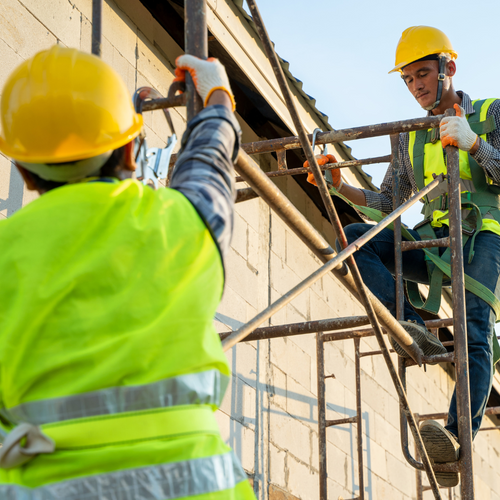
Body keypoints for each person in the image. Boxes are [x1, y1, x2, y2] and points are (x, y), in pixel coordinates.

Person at [0, 46, 255, 500]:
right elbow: (210, 163)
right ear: (130, 151)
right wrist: (218, 96)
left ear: (23, 171)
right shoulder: (183, 222)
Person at [307, 26, 500, 487]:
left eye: (423, 74)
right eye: (408, 79)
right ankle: (410, 321)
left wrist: (475, 143)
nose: (416, 86)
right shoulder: (411, 137)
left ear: (448, 68)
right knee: (356, 240)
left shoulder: (492, 114)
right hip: (433, 239)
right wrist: (340, 186)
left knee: (473, 333)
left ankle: (454, 441)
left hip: (486, 237)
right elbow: (388, 200)